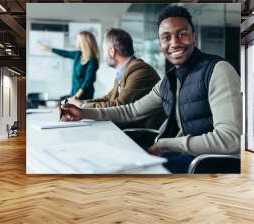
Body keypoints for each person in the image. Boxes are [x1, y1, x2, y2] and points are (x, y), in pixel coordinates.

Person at [60, 5, 242, 173]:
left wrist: (166, 144)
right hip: (179, 154)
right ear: (160, 44)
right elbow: (131, 110)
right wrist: (83, 113)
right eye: (166, 37)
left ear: (194, 37)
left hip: (205, 164)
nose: (174, 43)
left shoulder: (218, 70)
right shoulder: (169, 80)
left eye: (182, 34)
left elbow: (230, 140)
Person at [71, 28, 163, 129]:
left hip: (138, 135)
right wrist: (83, 102)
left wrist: (82, 107)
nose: (104, 55)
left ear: (112, 51)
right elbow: (108, 98)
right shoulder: (124, 71)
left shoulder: (139, 71)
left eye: (104, 50)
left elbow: (119, 105)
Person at [38, 31, 99, 100]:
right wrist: (50, 49)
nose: (76, 41)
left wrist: (76, 96)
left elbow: (88, 82)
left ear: (83, 42)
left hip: (84, 96)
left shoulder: (92, 61)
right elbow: (65, 53)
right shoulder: (78, 55)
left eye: (77, 39)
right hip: (74, 93)